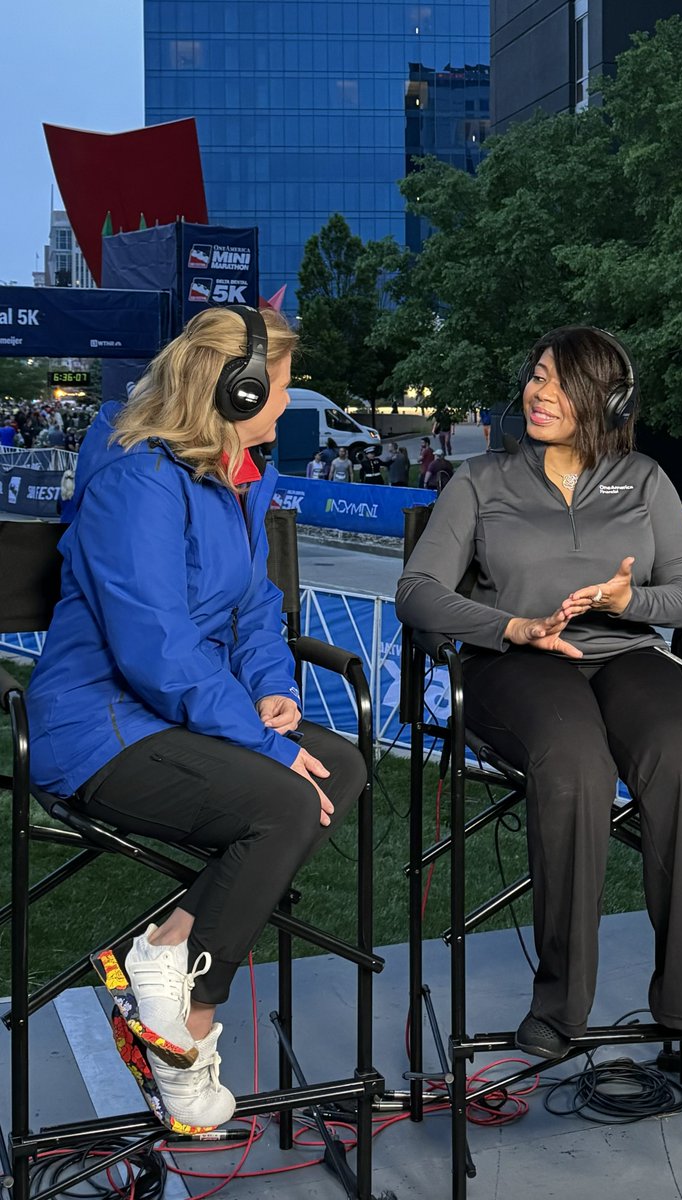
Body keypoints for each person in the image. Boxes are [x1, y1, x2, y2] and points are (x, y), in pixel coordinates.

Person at [24, 305, 365, 1132]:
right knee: (283, 799)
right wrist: (256, 739)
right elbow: (154, 646)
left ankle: (164, 953)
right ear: (238, 390)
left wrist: (271, 690)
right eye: (280, 389)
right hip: (94, 727)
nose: (286, 406)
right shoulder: (137, 476)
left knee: (342, 765)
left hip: (184, 712)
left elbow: (254, 606)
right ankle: (186, 1033)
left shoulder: (238, 472)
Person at [395, 326, 682, 1077]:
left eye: (557, 381)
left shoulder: (645, 479)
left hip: (622, 654)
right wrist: (510, 625)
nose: (537, 391)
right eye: (535, 376)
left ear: (606, 399)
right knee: (576, 759)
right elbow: (417, 592)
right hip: (519, 662)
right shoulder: (479, 479)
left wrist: (631, 599)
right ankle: (558, 1005)